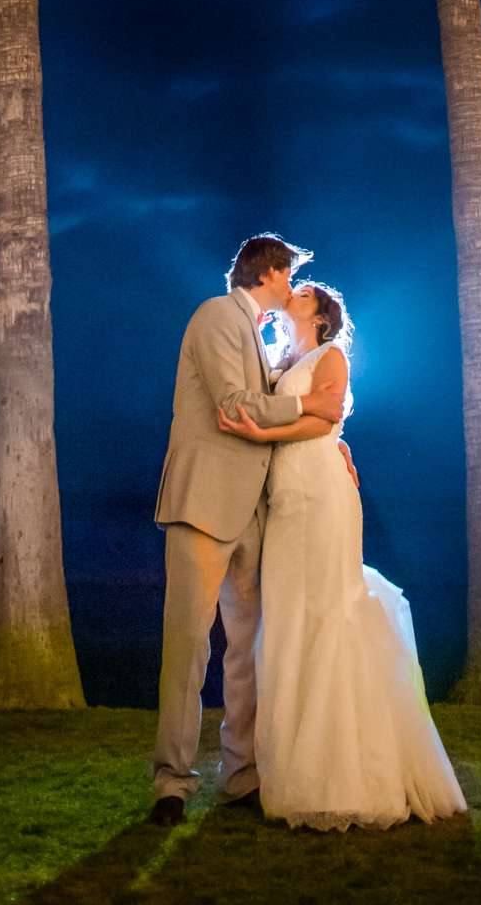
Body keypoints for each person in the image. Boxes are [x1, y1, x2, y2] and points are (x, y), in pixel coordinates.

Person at [217, 277, 466, 830]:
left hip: (321, 493)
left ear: (321, 316)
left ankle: (350, 771)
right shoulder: (284, 358)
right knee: (290, 621)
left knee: (328, 612)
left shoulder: (330, 356)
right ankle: (290, 765)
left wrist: (262, 436)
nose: (294, 293)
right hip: (286, 500)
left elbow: (327, 416)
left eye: (302, 292)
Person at [150, 232, 345, 823]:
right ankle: (171, 785)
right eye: (289, 277)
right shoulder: (215, 316)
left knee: (247, 651)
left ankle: (242, 775)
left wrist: (329, 442)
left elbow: (272, 413)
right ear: (268, 271)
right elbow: (232, 404)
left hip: (258, 514)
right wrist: (309, 409)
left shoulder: (265, 336)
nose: (291, 288)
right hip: (205, 505)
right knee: (188, 647)